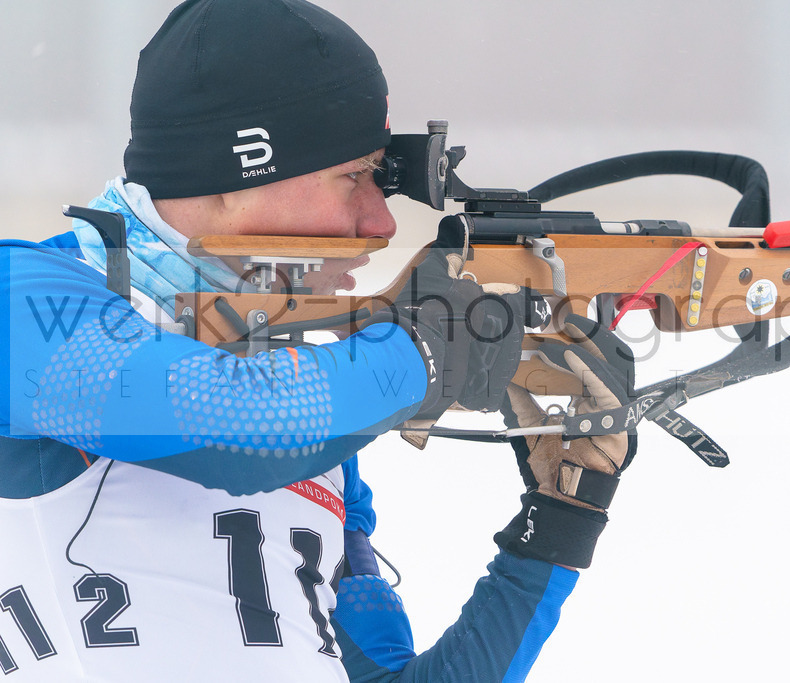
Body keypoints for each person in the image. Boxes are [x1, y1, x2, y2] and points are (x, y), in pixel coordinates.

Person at [0, 1, 636, 681]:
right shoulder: (23, 295)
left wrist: (558, 524)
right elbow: (239, 420)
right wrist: (425, 350)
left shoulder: (315, 406)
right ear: (238, 173)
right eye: (355, 175)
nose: (381, 222)